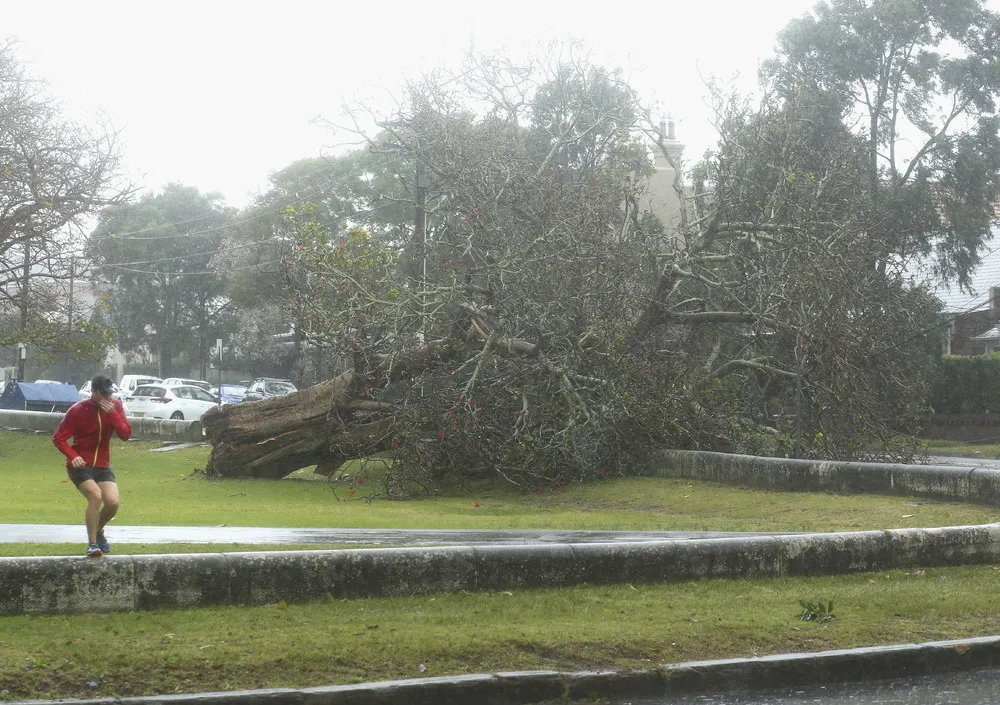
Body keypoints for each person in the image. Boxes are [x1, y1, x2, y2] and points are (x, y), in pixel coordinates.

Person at [53, 374, 132, 557]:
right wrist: (73, 456)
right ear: (93, 392)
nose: (108, 398)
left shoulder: (115, 407)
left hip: (102, 465)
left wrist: (112, 414)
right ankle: (93, 545)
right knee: (95, 496)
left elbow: (125, 434)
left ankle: (99, 530)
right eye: (104, 394)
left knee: (113, 503)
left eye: (110, 394)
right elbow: (59, 438)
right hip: (80, 466)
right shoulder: (78, 410)